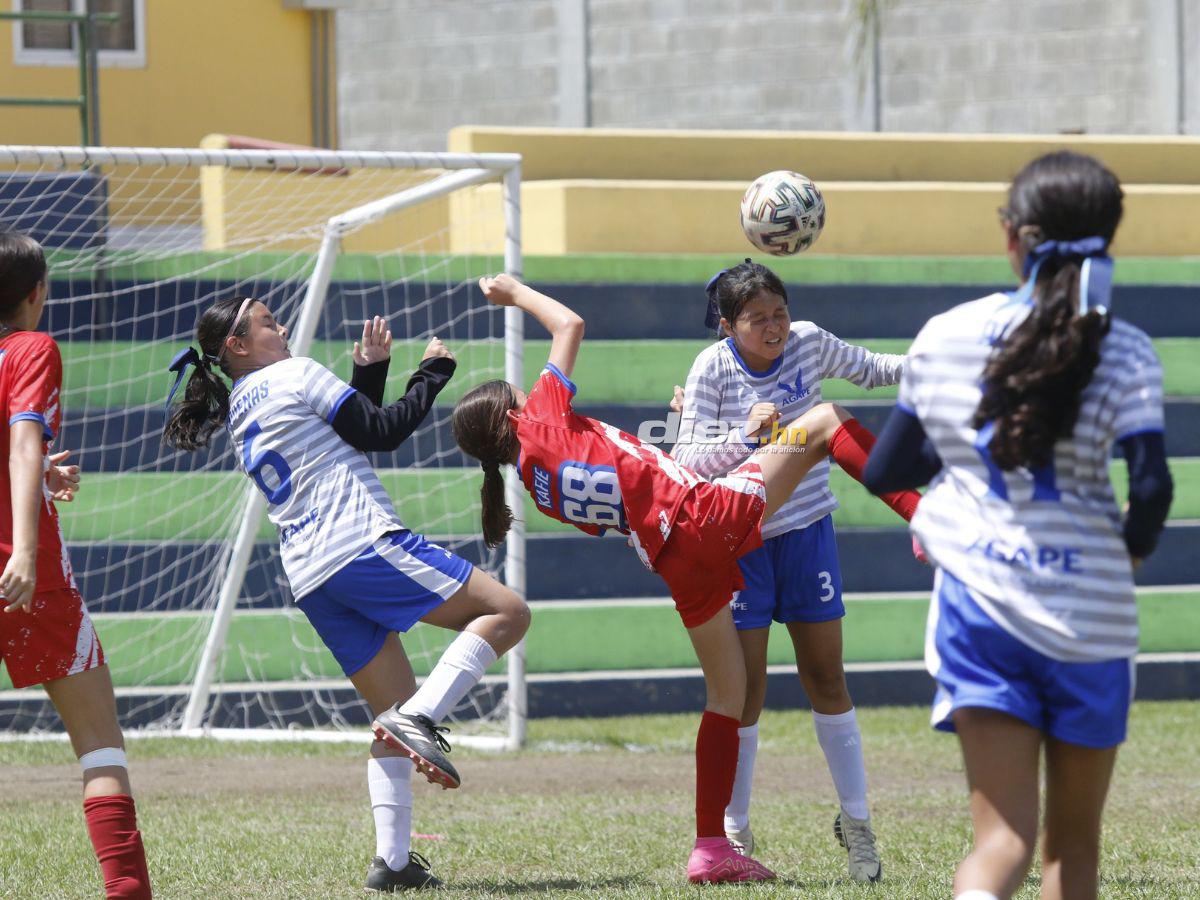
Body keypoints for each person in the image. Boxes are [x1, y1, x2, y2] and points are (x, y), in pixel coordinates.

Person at [450, 273, 914, 885]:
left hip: (674, 559)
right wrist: (515, 293)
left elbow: (636, 481)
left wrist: (682, 446)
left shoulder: (538, 489)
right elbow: (570, 325)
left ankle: (711, 847)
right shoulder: (543, 417)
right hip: (702, 520)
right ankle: (921, 513)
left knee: (728, 696)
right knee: (825, 421)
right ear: (515, 412)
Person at [862, 150, 1174, 900]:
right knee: (1073, 853)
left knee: (1001, 843)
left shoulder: (947, 334)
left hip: (980, 605)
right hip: (1090, 615)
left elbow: (886, 473)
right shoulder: (1125, 349)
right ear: (1108, 239)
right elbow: (1155, 487)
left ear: (1013, 236)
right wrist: (1125, 554)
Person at [163, 298, 529, 892]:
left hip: (311, 574)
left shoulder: (239, 408)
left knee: (389, 716)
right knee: (507, 611)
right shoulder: (295, 371)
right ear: (237, 345)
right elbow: (382, 433)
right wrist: (431, 376)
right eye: (266, 322)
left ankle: (394, 863)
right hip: (358, 542)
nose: (280, 327)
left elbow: (346, 433)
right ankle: (422, 720)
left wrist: (370, 373)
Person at [669, 259, 923, 881]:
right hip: (743, 541)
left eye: (779, 312)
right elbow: (686, 457)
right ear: (728, 327)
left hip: (809, 535)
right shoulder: (712, 368)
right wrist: (745, 436)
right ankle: (733, 832)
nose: (775, 326)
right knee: (746, 692)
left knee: (826, 679)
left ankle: (858, 825)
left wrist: (935, 362)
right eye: (758, 319)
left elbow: (876, 369)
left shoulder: (808, 341)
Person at [0, 231, 153, 899]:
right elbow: (24, 442)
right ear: (37, 293)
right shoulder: (33, 347)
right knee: (99, 742)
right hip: (27, 575)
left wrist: (34, 474)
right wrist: (28, 549)